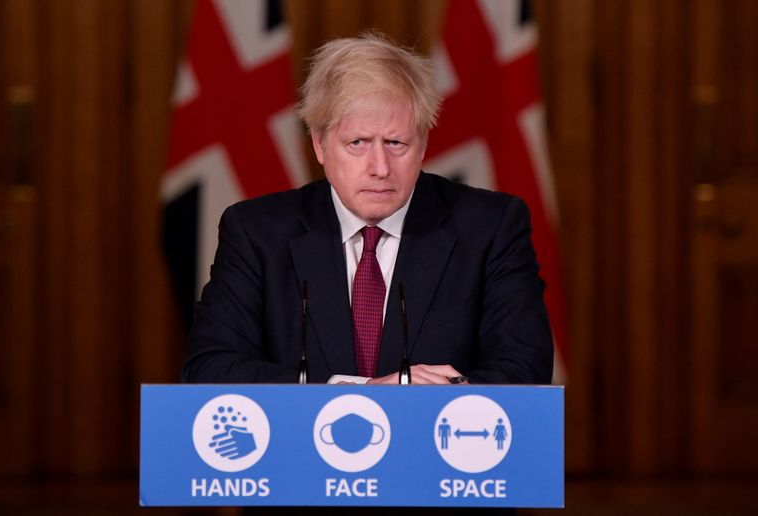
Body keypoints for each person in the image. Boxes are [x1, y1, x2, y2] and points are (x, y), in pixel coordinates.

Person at [182, 33, 553, 386]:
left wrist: (426, 397)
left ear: (422, 143)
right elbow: (211, 367)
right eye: (357, 142)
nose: (380, 166)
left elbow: (524, 370)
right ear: (320, 145)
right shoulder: (256, 232)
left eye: (396, 142)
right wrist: (359, 391)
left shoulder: (491, 227)